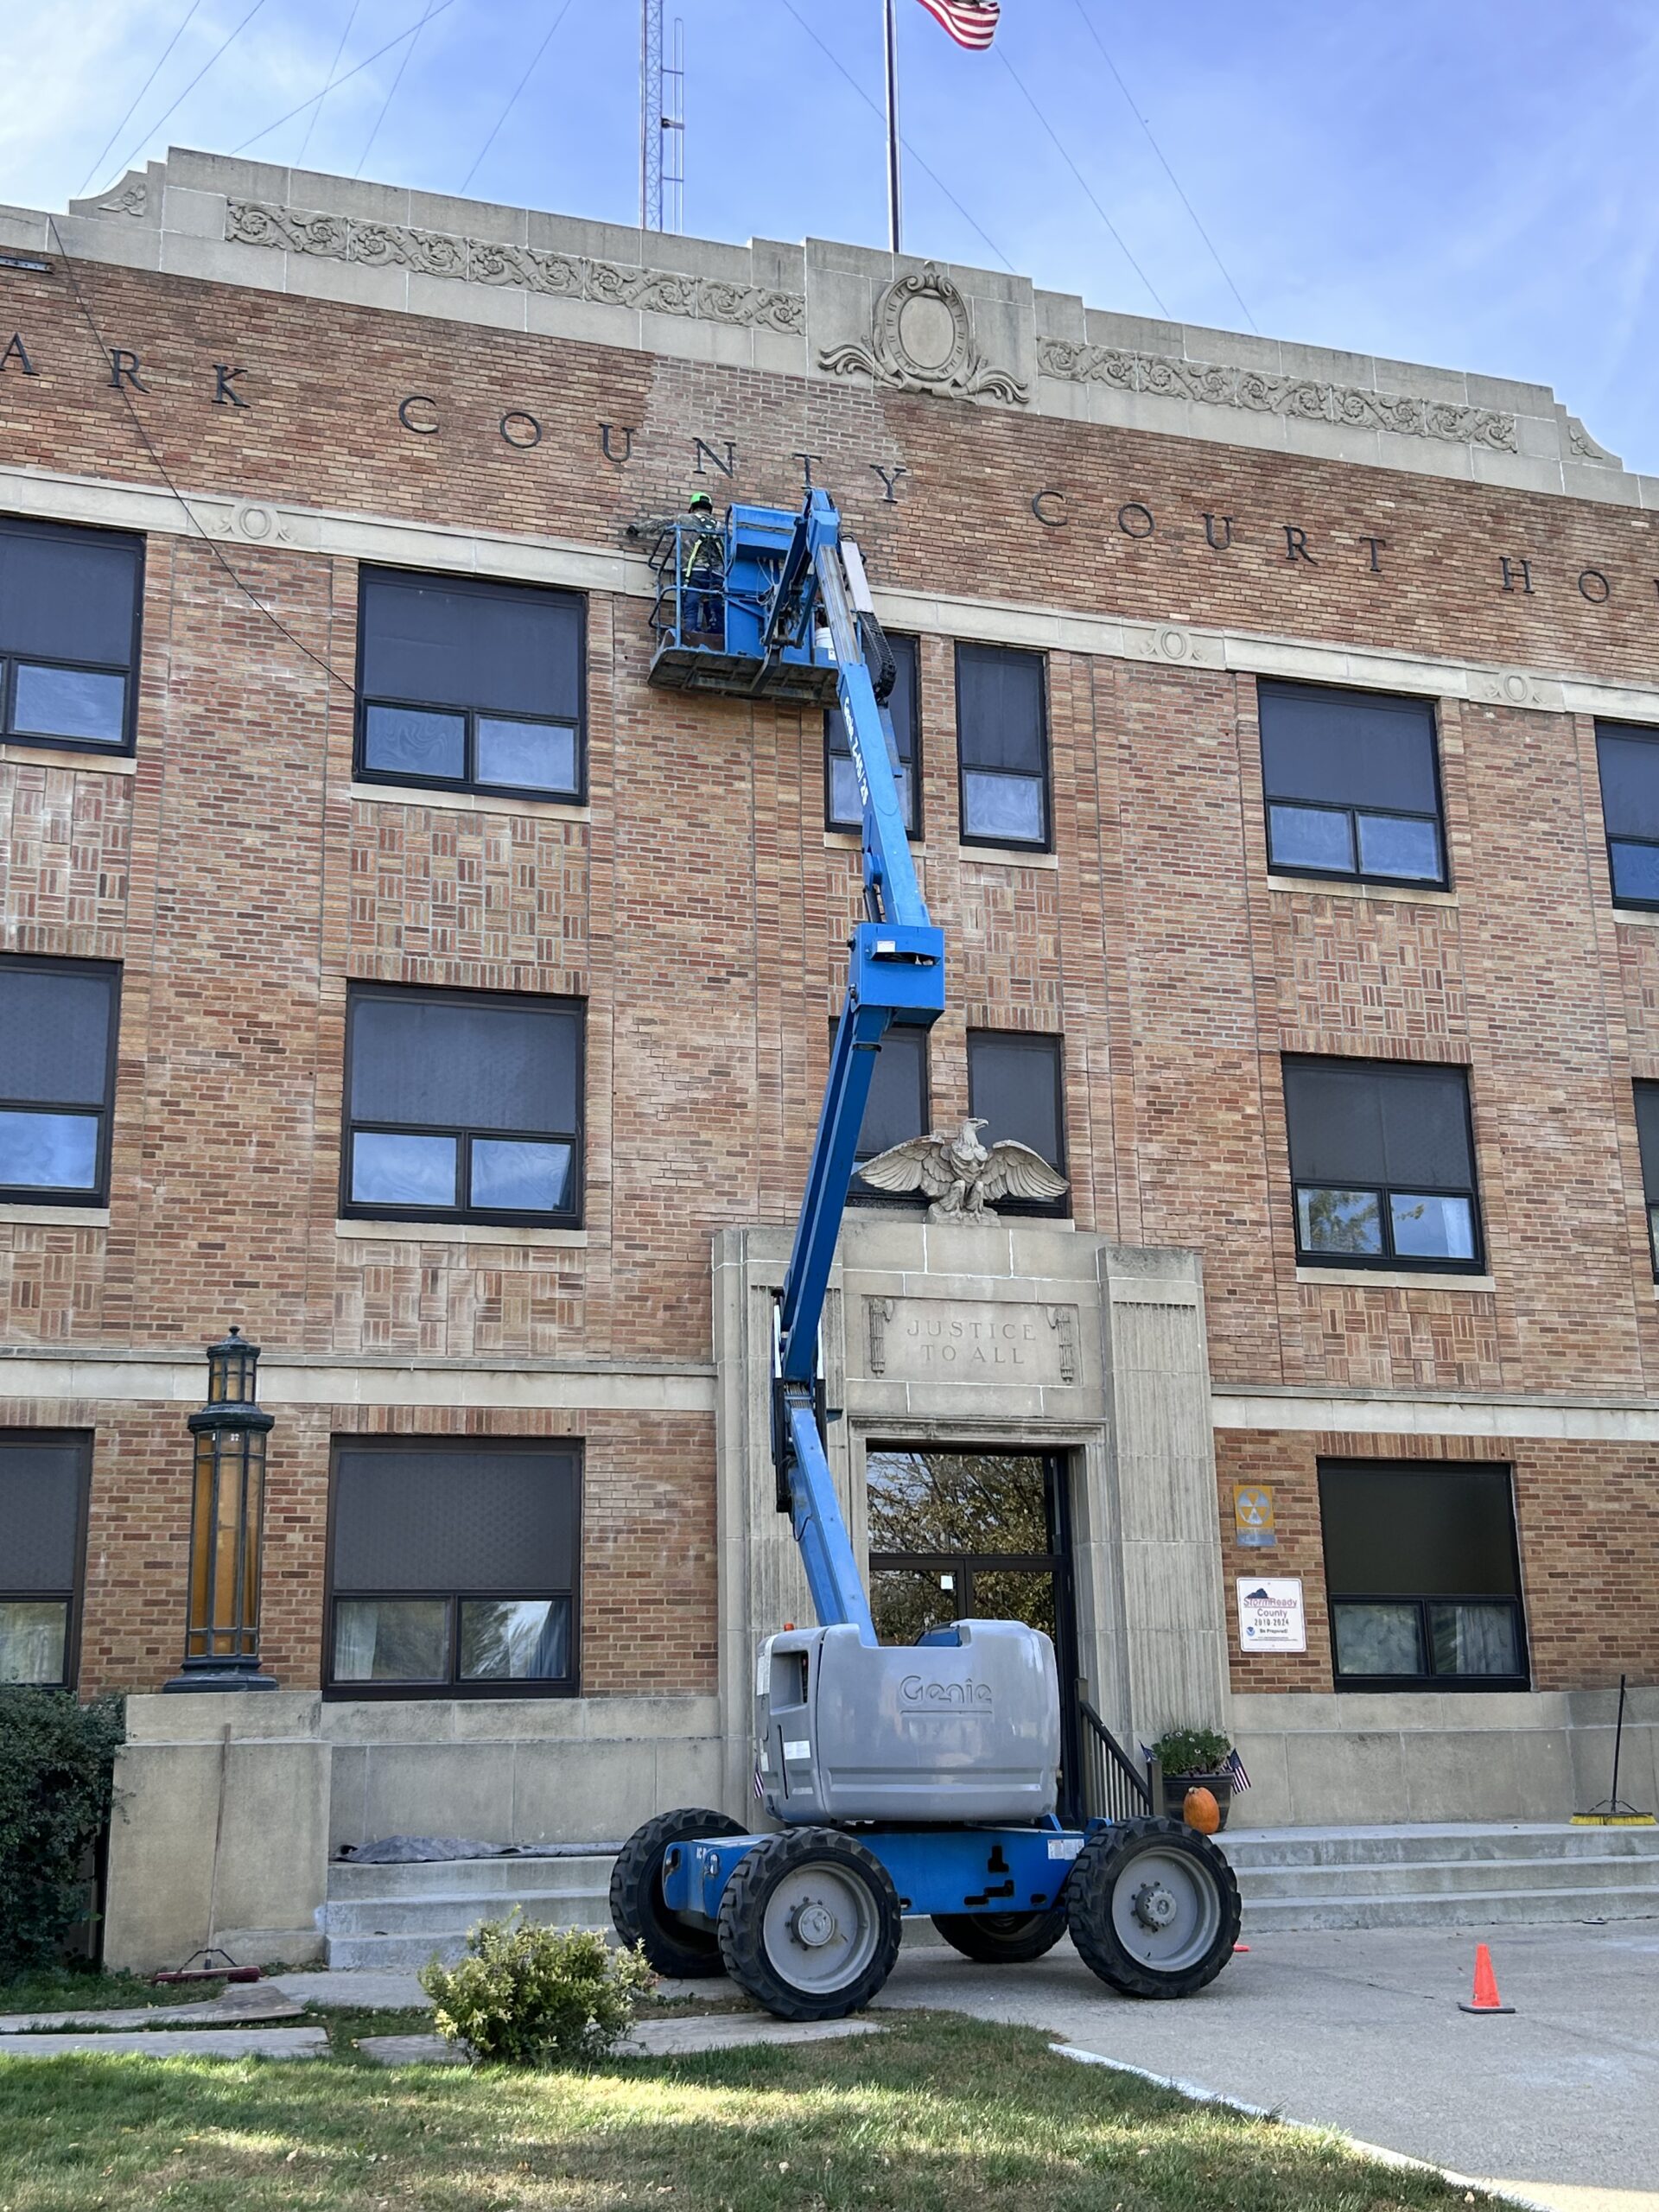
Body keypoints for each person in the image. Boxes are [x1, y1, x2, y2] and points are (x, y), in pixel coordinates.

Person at [683, 491, 725, 644]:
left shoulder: (685, 520)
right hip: (717, 574)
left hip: (696, 570)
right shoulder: (721, 526)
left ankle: (691, 632)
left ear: (692, 507)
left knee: (692, 603)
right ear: (710, 509)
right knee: (715, 603)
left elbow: (659, 524)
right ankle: (718, 632)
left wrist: (637, 528)